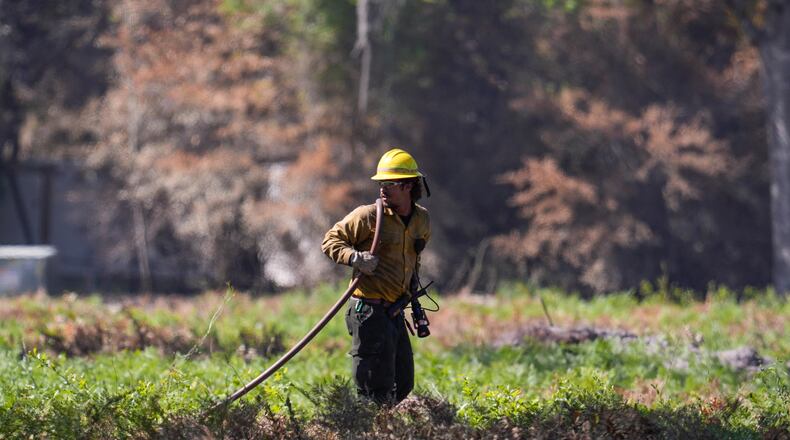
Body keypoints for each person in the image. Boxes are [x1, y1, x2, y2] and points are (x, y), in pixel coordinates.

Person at [321, 148, 431, 404]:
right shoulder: (369, 215)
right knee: (373, 389)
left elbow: (414, 261)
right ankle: (368, 428)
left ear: (408, 186)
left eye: (390, 183)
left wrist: (414, 302)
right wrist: (355, 258)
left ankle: (384, 427)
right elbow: (330, 241)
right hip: (367, 311)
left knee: (403, 383)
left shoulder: (422, 220)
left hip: (394, 311)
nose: (383, 188)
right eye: (381, 183)